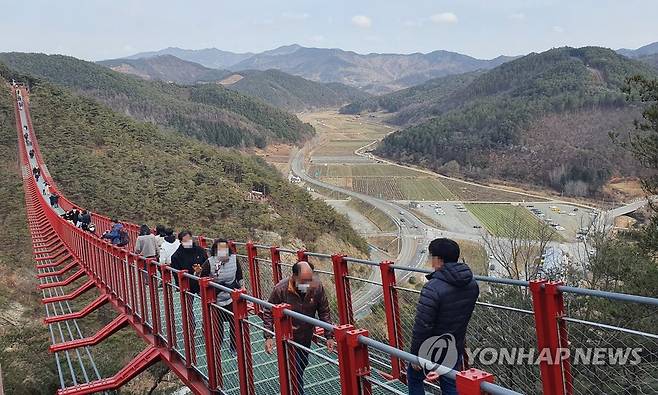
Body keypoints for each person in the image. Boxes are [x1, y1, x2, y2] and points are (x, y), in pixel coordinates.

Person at [407, 238, 479, 395]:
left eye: (431, 256)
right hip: (454, 345)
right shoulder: (472, 284)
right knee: (450, 385)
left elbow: (422, 325)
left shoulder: (432, 288)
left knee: (414, 377)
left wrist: (416, 354)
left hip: (430, 347)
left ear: (438, 259)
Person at [263, 261, 334, 394]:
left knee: (301, 364)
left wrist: (329, 336)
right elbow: (268, 310)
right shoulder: (281, 289)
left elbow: (324, 310)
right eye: (303, 280)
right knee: (294, 370)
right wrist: (268, 336)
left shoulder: (316, 287)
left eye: (309, 279)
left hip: (306, 335)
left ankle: (292, 386)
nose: (307, 284)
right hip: (287, 338)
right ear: (294, 276)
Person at [200, 239, 244, 354]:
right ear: (215, 250)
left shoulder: (234, 259)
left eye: (225, 248)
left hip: (231, 296)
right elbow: (202, 278)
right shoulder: (209, 262)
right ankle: (217, 346)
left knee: (235, 321)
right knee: (217, 323)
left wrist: (242, 290)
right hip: (216, 298)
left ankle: (234, 346)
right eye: (220, 249)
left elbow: (239, 275)